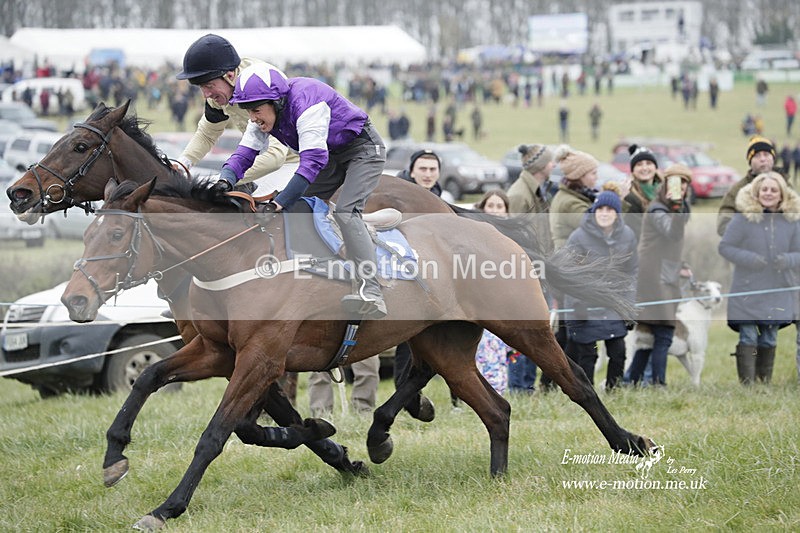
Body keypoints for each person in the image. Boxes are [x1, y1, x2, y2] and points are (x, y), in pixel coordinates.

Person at [218, 62, 388, 319]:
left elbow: (311, 163)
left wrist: (279, 202)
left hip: (363, 150)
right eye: (248, 111)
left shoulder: (307, 103)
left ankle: (372, 289)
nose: (252, 118)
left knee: (346, 212)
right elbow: (245, 154)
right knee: (300, 209)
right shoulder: (267, 109)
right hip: (331, 155)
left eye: (255, 110)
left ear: (275, 102)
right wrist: (224, 181)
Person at [175, 34, 292, 186]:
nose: (206, 95)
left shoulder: (263, 85)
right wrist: (182, 164)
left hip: (295, 162)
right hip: (260, 163)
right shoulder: (222, 90)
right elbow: (207, 135)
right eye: (201, 87)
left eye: (209, 86)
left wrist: (222, 179)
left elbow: (275, 155)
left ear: (230, 75)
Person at [718, 171, 800, 384]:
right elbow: (725, 246)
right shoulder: (743, 219)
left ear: (781, 194)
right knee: (748, 337)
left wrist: (788, 260)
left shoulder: (792, 221)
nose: (769, 193)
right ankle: (748, 384)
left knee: (769, 337)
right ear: (756, 192)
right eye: (764, 189)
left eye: (774, 190)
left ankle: (764, 382)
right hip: (747, 290)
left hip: (777, 288)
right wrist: (749, 258)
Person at [394, 149, 459, 411]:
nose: (428, 174)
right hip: (403, 277)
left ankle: (421, 395)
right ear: (412, 171)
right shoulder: (398, 197)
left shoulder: (442, 199)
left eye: (433, 169)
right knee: (403, 342)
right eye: (423, 168)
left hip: (436, 281)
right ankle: (405, 398)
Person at [563, 185, 638, 390]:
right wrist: (577, 304)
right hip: (585, 306)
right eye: (601, 209)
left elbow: (631, 272)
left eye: (610, 210)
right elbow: (568, 273)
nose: (604, 214)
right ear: (594, 211)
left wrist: (629, 307)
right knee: (588, 355)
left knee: (618, 352)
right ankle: (587, 394)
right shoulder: (578, 237)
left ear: (617, 213)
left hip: (613, 305)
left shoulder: (627, 235)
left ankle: (614, 390)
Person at [627, 164, 692, 387]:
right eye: (675, 182)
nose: (680, 188)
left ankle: (630, 381)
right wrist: (676, 208)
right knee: (664, 331)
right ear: (665, 186)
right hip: (654, 278)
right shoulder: (659, 210)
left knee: (646, 336)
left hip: (661, 274)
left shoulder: (671, 209)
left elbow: (667, 245)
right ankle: (658, 383)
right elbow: (671, 233)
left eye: (684, 183)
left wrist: (679, 264)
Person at [506, 144, 560, 393]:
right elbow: (515, 237)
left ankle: (526, 384)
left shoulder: (537, 191)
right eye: (551, 162)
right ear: (541, 166)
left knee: (536, 330)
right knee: (523, 331)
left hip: (538, 270)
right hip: (526, 272)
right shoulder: (519, 194)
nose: (554, 166)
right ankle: (519, 386)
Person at [473, 189, 512, 394]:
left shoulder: (512, 240)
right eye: (491, 206)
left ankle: (497, 393)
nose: (495, 211)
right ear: (482, 208)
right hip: (477, 305)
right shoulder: (473, 236)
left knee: (499, 352)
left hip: (504, 306)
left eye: (500, 207)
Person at [717, 136, 778, 237]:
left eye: (766, 154)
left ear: (773, 158)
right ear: (750, 162)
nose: (763, 159)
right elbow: (723, 226)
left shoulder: (785, 186)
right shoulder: (737, 190)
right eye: (757, 155)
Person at [549, 146, 599, 250]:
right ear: (579, 176)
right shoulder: (570, 203)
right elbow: (598, 228)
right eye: (593, 173)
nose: (597, 177)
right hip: (572, 262)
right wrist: (619, 202)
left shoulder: (574, 196)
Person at [624, 144, 661, 238]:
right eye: (639, 164)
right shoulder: (630, 196)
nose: (644, 168)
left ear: (655, 167)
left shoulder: (665, 191)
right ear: (633, 170)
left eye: (648, 163)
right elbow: (637, 230)